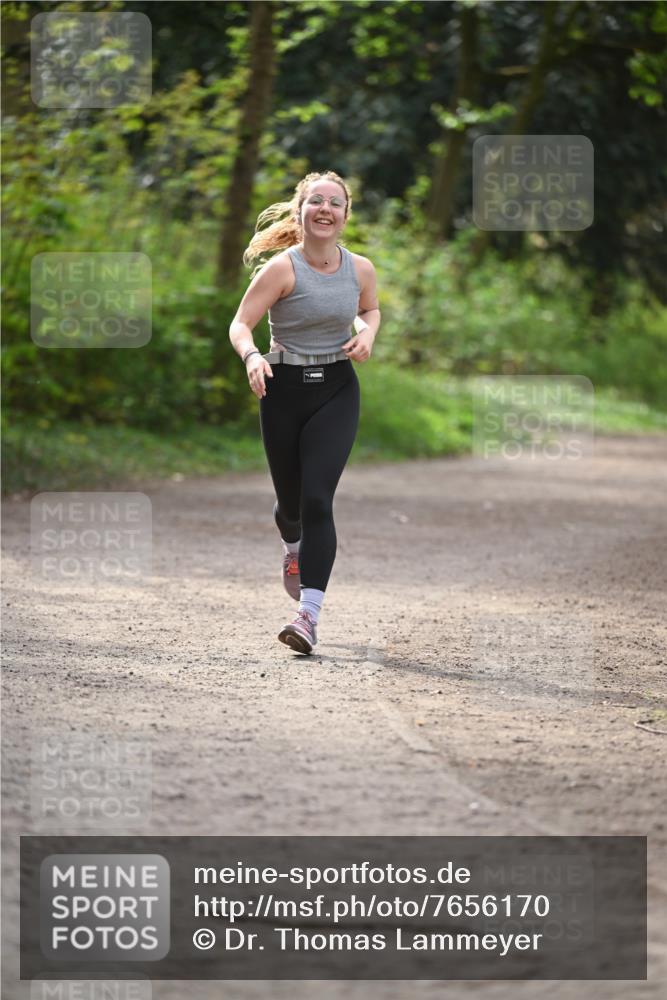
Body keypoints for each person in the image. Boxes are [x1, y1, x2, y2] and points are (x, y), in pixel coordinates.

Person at [229, 170, 381, 654]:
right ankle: (292, 545)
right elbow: (240, 324)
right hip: (283, 388)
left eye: (335, 203)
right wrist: (253, 356)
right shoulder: (281, 270)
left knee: (319, 499)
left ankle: (307, 616)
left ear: (344, 216)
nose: (325, 209)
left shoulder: (360, 269)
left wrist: (368, 332)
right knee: (291, 505)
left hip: (337, 387)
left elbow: (370, 310)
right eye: (316, 201)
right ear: (301, 212)